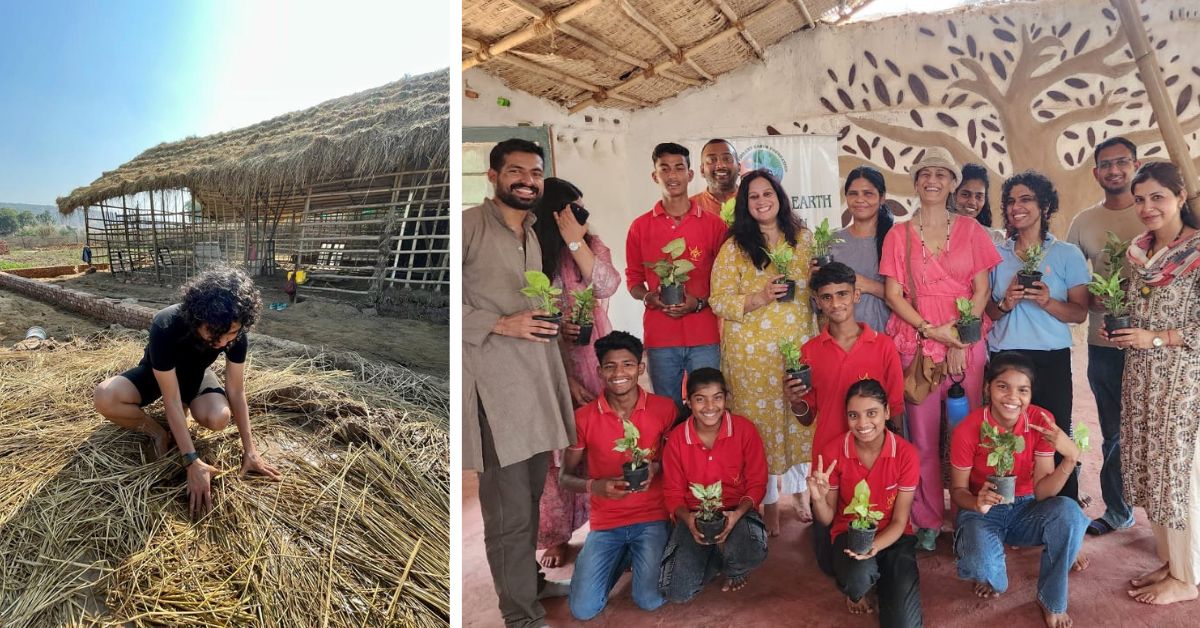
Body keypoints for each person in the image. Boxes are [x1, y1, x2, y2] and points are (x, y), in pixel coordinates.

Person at [462, 138, 576, 628]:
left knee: (530, 498)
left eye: (535, 173)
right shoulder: (467, 226)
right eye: (516, 171)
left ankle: (528, 583)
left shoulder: (533, 233)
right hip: (494, 391)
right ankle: (519, 615)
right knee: (508, 515)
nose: (527, 181)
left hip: (533, 385)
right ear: (493, 177)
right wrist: (499, 323)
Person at [879, 147, 1001, 551]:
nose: (932, 180)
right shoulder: (899, 234)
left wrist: (961, 338)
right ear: (915, 183)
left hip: (967, 343)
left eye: (941, 174)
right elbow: (894, 295)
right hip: (917, 343)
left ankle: (971, 517)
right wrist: (934, 332)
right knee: (925, 438)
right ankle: (928, 518)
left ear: (952, 182)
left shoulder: (971, 230)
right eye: (924, 174)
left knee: (969, 435)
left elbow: (982, 289)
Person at [93, 267, 281, 519]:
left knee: (219, 418)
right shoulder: (166, 325)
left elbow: (236, 390)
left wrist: (251, 450)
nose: (224, 342)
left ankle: (186, 413)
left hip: (196, 375)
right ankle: (157, 432)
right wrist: (192, 461)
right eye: (215, 334)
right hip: (157, 375)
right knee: (105, 396)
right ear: (197, 316)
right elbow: (169, 399)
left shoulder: (235, 334)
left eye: (232, 333)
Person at [1107, 161, 1200, 605]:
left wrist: (1156, 337)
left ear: (1181, 197)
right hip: (1141, 376)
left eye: (1157, 197)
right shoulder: (1139, 253)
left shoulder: (1198, 252)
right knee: (1150, 465)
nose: (1147, 207)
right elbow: (1132, 306)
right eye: (1140, 199)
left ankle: (1188, 576)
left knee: (1177, 471)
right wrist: (1121, 330)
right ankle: (1170, 561)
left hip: (1182, 379)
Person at [709, 168, 818, 536]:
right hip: (751, 358)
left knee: (799, 418)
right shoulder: (734, 248)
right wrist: (759, 297)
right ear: (745, 204)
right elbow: (718, 300)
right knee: (761, 429)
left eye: (766, 193)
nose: (761, 201)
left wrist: (817, 275)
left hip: (795, 347)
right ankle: (769, 502)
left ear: (779, 196)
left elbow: (816, 291)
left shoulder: (802, 240)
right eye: (753, 196)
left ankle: (801, 492)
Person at [950, 352, 1088, 628]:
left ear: (1031, 393)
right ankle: (990, 571)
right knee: (988, 572)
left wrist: (1070, 459)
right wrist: (977, 502)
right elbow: (957, 491)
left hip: (1027, 507)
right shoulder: (968, 429)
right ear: (988, 387)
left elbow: (1043, 494)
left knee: (1069, 514)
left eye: (1022, 390)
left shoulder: (1042, 421)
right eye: (1003, 386)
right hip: (983, 511)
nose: (1012, 397)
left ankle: (1051, 600)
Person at [787, 262, 905, 573]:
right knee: (830, 564)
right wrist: (796, 402)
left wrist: (895, 458)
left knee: (880, 533)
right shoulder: (808, 352)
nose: (835, 303)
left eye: (843, 294)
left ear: (856, 296)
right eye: (826, 297)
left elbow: (895, 408)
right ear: (817, 301)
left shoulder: (883, 347)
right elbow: (805, 416)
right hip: (828, 458)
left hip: (872, 455)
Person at [531, 177, 621, 569]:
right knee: (559, 453)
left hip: (596, 362)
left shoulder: (590, 247)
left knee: (603, 442)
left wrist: (575, 240)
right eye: (573, 211)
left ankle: (608, 524)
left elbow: (606, 285)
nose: (581, 217)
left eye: (582, 211)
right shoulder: (533, 254)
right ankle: (557, 535)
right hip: (551, 364)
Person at [985, 171, 1089, 502]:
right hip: (1006, 357)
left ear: (1044, 205)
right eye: (1011, 201)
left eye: (1026, 199)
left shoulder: (1067, 254)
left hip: (1050, 358)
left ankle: (1065, 521)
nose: (1017, 207)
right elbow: (988, 312)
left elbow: (1079, 312)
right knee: (1006, 437)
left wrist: (1047, 302)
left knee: (1055, 435)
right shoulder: (995, 254)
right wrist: (1006, 302)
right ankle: (1012, 516)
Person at [559, 331, 675, 620]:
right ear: (599, 372)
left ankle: (642, 555)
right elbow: (564, 477)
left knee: (649, 599)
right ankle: (621, 557)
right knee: (584, 609)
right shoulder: (584, 417)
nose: (619, 373)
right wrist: (594, 486)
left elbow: (678, 461)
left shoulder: (664, 409)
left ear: (641, 368)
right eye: (610, 366)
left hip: (652, 518)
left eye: (627, 364)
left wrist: (656, 467)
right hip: (606, 524)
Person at [1065, 136, 1145, 537]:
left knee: (1156, 427)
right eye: (1106, 165)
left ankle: (1166, 507)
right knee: (1112, 430)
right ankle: (1119, 508)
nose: (1114, 170)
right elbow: (1074, 282)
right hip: (1103, 342)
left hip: (1152, 343)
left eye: (1122, 162)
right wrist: (1089, 298)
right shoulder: (1083, 222)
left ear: (1135, 164)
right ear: (1096, 173)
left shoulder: (1154, 211)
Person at [809, 379, 923, 626]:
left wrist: (876, 546)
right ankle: (858, 587)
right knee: (857, 577)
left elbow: (900, 520)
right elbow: (827, 518)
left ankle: (880, 577)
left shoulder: (906, 454)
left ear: (887, 412)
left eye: (871, 413)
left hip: (893, 537)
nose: (862, 424)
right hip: (850, 536)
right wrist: (818, 499)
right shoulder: (832, 452)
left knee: (904, 624)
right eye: (853, 415)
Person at [625, 142, 728, 412]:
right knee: (667, 410)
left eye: (679, 168)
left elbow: (726, 281)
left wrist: (699, 303)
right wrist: (648, 297)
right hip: (661, 337)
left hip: (705, 335)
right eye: (665, 169)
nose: (672, 176)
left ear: (690, 174)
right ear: (654, 175)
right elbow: (634, 280)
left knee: (708, 408)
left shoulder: (714, 225)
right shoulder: (640, 226)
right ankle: (674, 455)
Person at [659, 367, 769, 600]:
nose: (710, 407)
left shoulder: (745, 430)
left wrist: (736, 515)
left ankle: (733, 565)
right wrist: (688, 520)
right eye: (700, 399)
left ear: (726, 398)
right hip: (694, 517)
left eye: (717, 398)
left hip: (736, 513)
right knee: (676, 592)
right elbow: (672, 493)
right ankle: (714, 555)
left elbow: (757, 483)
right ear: (688, 402)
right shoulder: (677, 438)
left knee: (751, 549)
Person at [831, 166, 895, 333]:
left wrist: (868, 285)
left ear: (882, 198)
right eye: (853, 194)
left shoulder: (896, 239)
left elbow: (911, 297)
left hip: (888, 337)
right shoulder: (832, 241)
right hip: (842, 339)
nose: (860, 199)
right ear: (846, 197)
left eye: (868, 193)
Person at [953, 163, 1003, 245]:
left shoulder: (995, 238)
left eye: (979, 196)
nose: (972, 202)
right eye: (965, 194)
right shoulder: (937, 232)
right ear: (955, 195)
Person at [691, 139, 740, 216]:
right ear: (702, 170)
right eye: (712, 160)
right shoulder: (689, 208)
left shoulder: (754, 202)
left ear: (739, 167)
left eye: (727, 159)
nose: (720, 165)